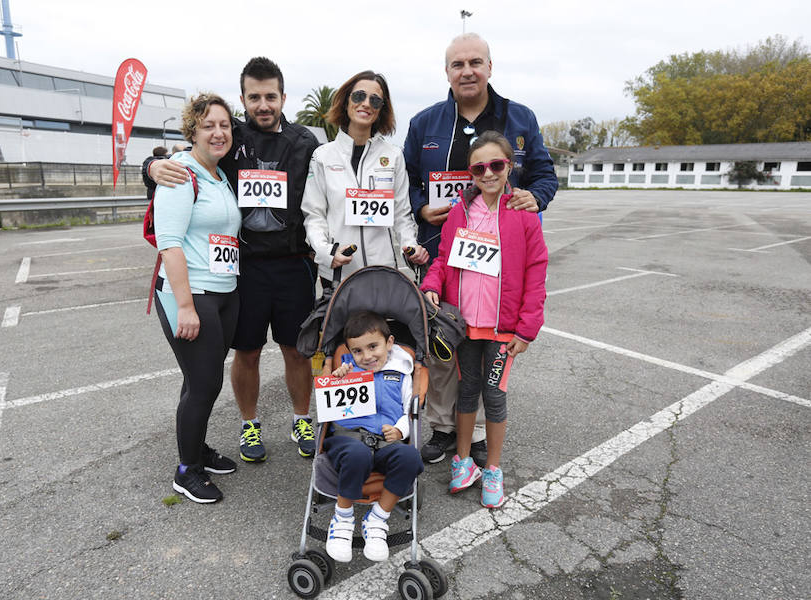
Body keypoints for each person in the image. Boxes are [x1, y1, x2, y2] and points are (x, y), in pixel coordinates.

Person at [144, 57, 320, 463]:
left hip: (294, 265)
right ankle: (249, 425)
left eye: (270, 97)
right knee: (249, 351)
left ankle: (301, 418)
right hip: (246, 268)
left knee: (296, 349)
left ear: (283, 97)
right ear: (243, 99)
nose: (263, 104)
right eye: (254, 97)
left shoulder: (305, 141)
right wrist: (150, 166)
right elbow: (185, 159)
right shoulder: (228, 135)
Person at [404, 33, 558, 467]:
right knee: (443, 352)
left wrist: (536, 197)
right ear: (447, 72)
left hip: (500, 272)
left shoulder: (520, 117)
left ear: (490, 66)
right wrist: (420, 207)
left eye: (475, 62)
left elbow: (546, 174)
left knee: (485, 361)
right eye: (458, 64)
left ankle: (477, 442)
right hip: (442, 254)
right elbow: (408, 182)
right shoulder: (424, 123)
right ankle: (443, 430)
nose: (467, 70)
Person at [420, 131, 547, 508]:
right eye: (479, 167)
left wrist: (526, 329)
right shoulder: (460, 211)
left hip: (502, 328)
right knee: (466, 392)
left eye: (496, 165)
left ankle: (492, 467)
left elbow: (537, 272)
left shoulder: (524, 215)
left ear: (510, 166)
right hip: (464, 324)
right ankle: (463, 462)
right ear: (471, 172)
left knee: (494, 396)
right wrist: (431, 283)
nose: (488, 173)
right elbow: (443, 258)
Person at [153, 92, 242, 504]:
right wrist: (185, 306)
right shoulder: (179, 173)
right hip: (191, 294)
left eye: (224, 124)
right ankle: (186, 470)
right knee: (204, 383)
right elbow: (169, 244)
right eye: (208, 125)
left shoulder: (218, 174)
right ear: (193, 131)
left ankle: (198, 449)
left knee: (202, 380)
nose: (218, 132)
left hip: (223, 289)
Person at [302, 70, 429, 290]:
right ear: (346, 101)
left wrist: (410, 246)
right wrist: (326, 252)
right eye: (359, 96)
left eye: (375, 99)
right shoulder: (322, 156)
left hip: (384, 274)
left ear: (382, 109)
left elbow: (401, 214)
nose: (366, 104)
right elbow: (314, 214)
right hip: (338, 273)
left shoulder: (394, 156)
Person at [323, 311, 424, 563]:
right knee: (357, 454)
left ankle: (378, 517)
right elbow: (328, 401)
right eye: (358, 351)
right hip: (348, 439)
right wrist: (336, 381)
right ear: (349, 350)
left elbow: (408, 409)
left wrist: (402, 430)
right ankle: (343, 517)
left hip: (386, 440)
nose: (366, 356)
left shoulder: (401, 372)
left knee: (410, 457)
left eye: (373, 347)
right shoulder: (346, 369)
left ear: (389, 343)